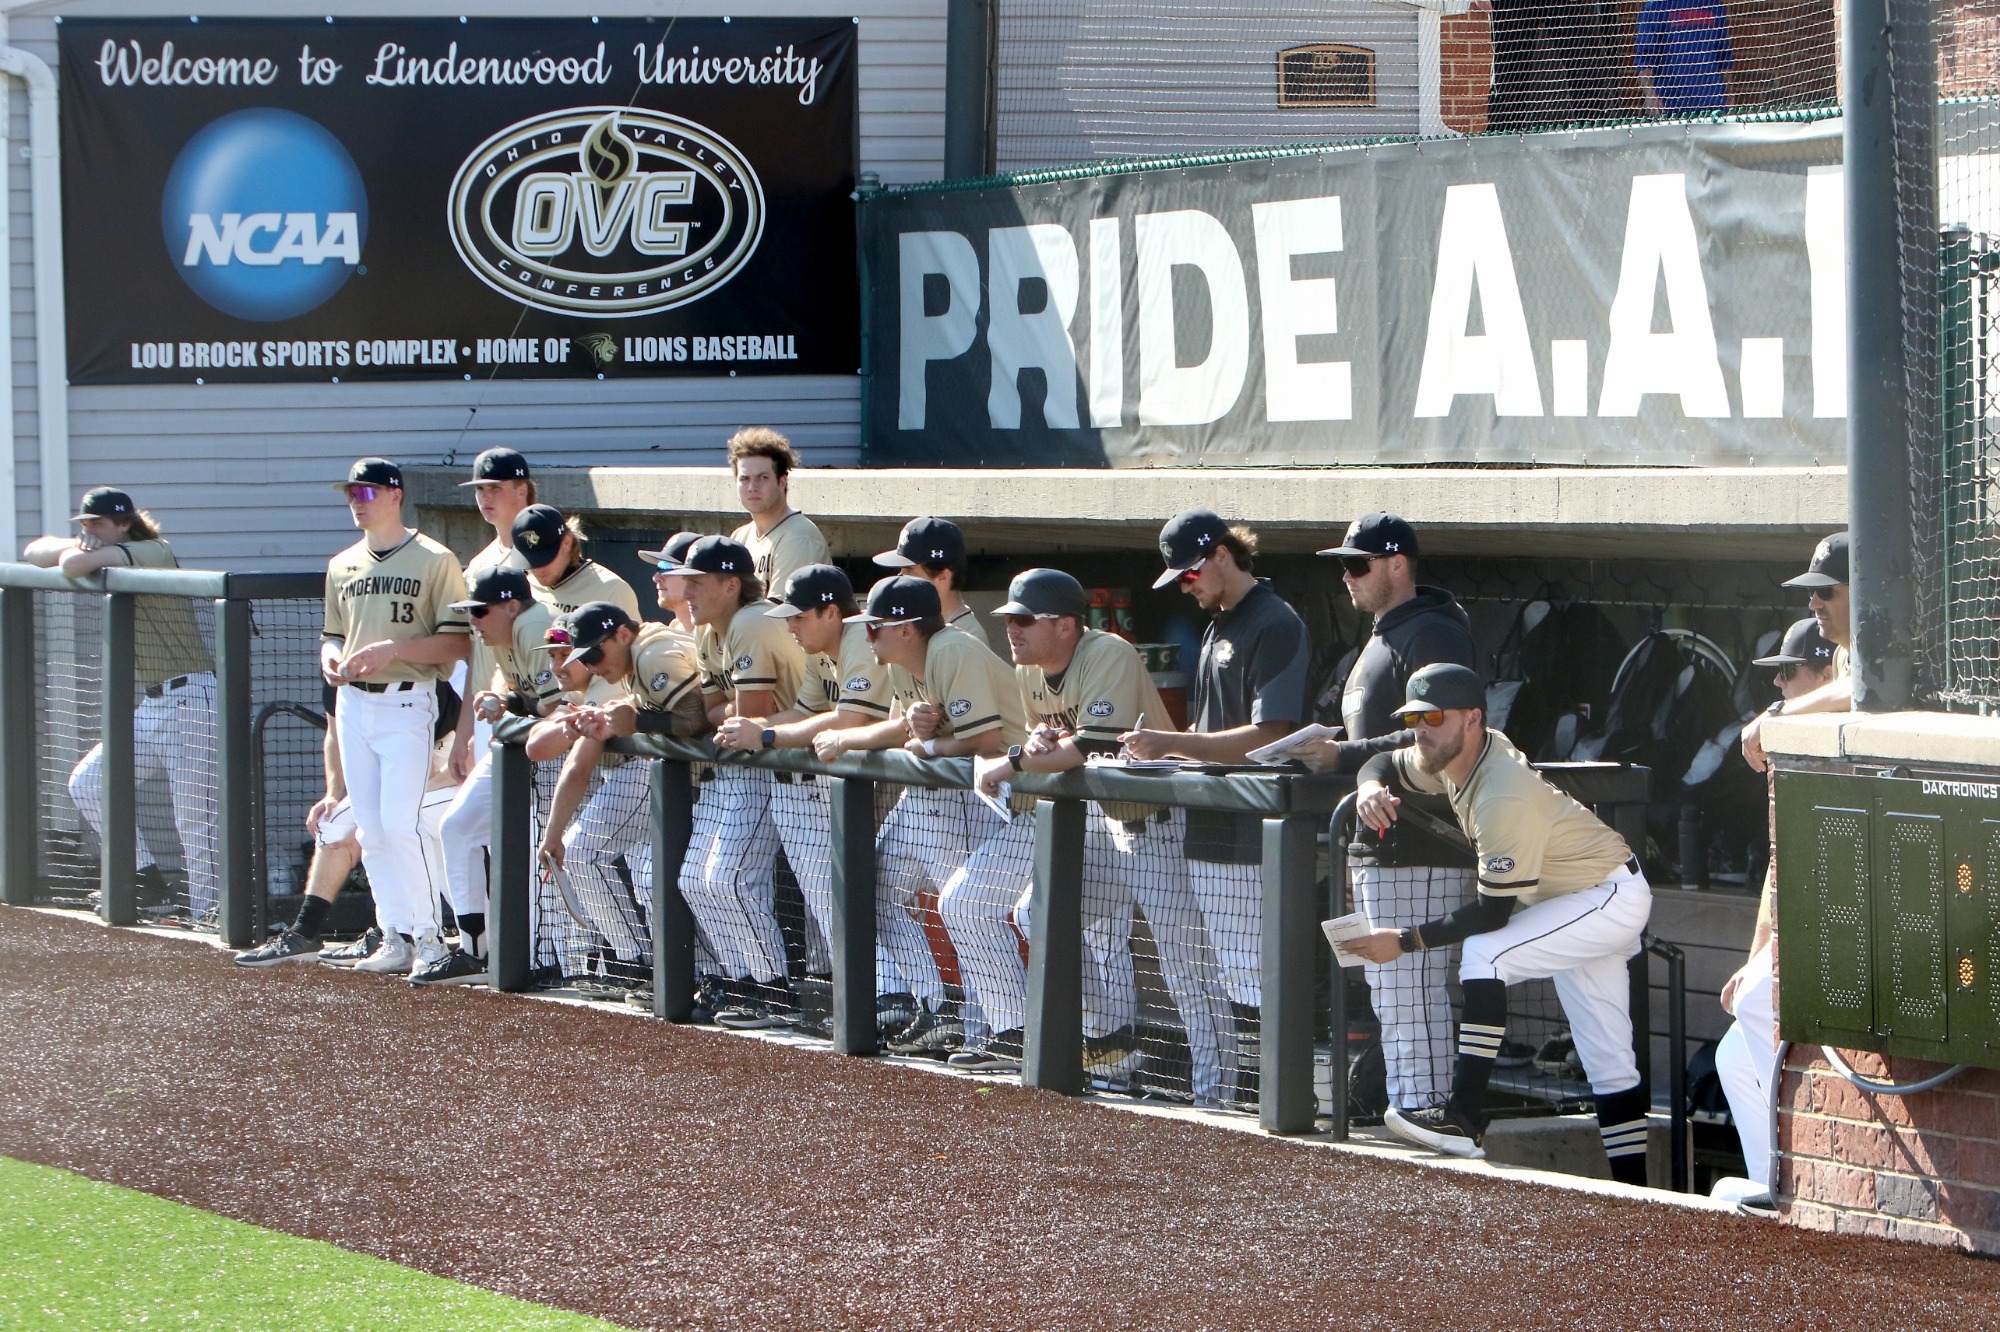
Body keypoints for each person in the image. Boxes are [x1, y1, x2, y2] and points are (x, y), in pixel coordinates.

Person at [1342, 664, 1654, 1186]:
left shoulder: (1501, 792)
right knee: (1610, 1061)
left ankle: (1464, 1119)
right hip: (1572, 903)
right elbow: (1380, 760)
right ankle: (1639, 1191)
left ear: (1472, 719)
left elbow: (1491, 914)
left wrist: (1403, 940)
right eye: (1414, 716)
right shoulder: (1447, 751)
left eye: (1433, 716)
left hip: (1606, 897)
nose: (1421, 727)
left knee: (1486, 952)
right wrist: (1369, 786)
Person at [970, 568, 1230, 1092]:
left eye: (1024, 620)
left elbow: (1088, 747)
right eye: (1009, 619)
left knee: (1185, 967)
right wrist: (1042, 739)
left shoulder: (1107, 652)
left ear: (1066, 625)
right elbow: (1058, 739)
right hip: (1110, 826)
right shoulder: (1029, 671)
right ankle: (1106, 1047)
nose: (1011, 631)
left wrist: (1014, 761)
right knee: (1039, 915)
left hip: (1164, 822)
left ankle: (1218, 1091)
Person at [1121, 509, 1312, 1103]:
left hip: (1256, 827)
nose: (1187, 585)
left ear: (1222, 555)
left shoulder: (1274, 621)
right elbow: (1216, 732)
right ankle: (1225, 1095)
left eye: (1190, 573)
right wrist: (1171, 757)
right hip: (1209, 822)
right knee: (1214, 967)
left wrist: (1170, 742)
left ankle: (1266, 1098)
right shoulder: (1217, 624)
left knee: (1249, 967)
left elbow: (1268, 735)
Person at [1311, 512, 1480, 1117]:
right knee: (1394, 993)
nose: (1348, 578)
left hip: (1424, 841)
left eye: (1358, 565)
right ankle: (1415, 1114)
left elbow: (1446, 737)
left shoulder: (1431, 633)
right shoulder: (1386, 635)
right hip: (1379, 844)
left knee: (1415, 994)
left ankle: (1428, 1117)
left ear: (1397, 564)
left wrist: (1343, 755)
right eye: (1344, 567)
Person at [815, 575, 1027, 1056]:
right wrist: (851, 738)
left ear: (908, 628)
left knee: (968, 911)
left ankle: (1003, 1030)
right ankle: (935, 1009)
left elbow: (984, 742)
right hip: (935, 796)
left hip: (988, 797)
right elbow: (901, 727)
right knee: (872, 886)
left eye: (875, 628)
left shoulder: (952, 649)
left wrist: (926, 743)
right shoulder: (901, 661)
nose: (865, 635)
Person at [717, 564, 900, 1037]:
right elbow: (806, 711)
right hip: (853, 791)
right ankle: (880, 998)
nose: (791, 627)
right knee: (842, 898)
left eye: (799, 617)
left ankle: (893, 998)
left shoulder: (860, 639)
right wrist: (754, 730)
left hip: (916, 791)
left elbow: (851, 720)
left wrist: (768, 734)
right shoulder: (822, 651)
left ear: (832, 612)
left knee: (877, 899)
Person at [26, 487, 219, 924]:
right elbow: (35, 549)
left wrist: (81, 551)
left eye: (98, 524)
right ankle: (147, 880)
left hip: (193, 697)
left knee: (194, 816)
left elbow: (74, 565)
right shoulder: (98, 546)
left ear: (124, 523)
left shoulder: (152, 549)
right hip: (153, 701)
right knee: (89, 783)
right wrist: (77, 543)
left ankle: (212, 912)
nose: (90, 531)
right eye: (85, 524)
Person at [319, 457, 470, 978]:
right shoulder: (342, 563)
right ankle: (396, 933)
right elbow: (332, 633)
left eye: (366, 494)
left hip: (409, 697)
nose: (356, 504)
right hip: (354, 702)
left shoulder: (434, 558)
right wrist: (331, 657)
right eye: (351, 495)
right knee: (374, 829)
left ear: (394, 495)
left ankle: (432, 938)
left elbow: (457, 639)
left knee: (402, 824)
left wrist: (392, 649)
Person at [1712, 617, 1837, 1214]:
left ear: (1826, 674)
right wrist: (1757, 955)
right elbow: (1779, 869)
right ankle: (1776, 1179)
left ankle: (1806, 1176)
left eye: (1790, 673)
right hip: (1804, 932)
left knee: (1762, 1002)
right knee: (1731, 1054)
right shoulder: (1789, 747)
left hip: (1851, 936)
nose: (1780, 686)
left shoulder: (1832, 737)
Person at [536, 602, 708, 1001]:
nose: (591, 665)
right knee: (665, 881)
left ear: (623, 635)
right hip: (683, 778)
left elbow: (696, 718)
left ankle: (640, 965)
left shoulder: (652, 651)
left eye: (593, 654)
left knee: (709, 884)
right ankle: (674, 971)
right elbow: (538, 747)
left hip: (701, 776)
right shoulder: (631, 663)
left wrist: (636, 720)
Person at [678, 534, 810, 1026]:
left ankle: (773, 989)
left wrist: (735, 717)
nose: (687, 591)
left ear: (732, 584)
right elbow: (717, 714)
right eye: (685, 581)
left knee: (733, 879)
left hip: (794, 771)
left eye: (698, 582)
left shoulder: (752, 621)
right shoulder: (706, 630)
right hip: (760, 768)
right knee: (696, 880)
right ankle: (741, 979)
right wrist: (733, 717)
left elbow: (748, 720)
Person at [416, 567, 564, 985]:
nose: (472, 622)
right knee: (457, 826)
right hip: (517, 749)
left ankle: (558, 959)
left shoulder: (536, 626)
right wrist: (503, 699)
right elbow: (512, 693)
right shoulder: (503, 634)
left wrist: (513, 707)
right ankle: (475, 950)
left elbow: (556, 711)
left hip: (566, 756)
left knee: (551, 854)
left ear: (512, 606)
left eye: (479, 611)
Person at [449, 447, 536, 784]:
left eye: (494, 487)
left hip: (532, 706)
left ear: (522, 489)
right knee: (472, 828)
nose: (485, 496)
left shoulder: (542, 553)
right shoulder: (479, 565)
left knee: (529, 824)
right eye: (479, 489)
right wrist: (463, 734)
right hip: (489, 708)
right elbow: (475, 657)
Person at [1740, 532, 1853, 774]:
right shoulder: (1842, 654)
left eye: (1825, 591)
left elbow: (1863, 688)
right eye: (1810, 592)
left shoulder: (1897, 641)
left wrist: (1775, 713)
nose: (1813, 604)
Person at [727, 427, 829, 593]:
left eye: (763, 478)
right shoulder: (739, 538)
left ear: (782, 482)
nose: (752, 487)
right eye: (745, 479)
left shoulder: (799, 537)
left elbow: (778, 616)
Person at [874, 516, 994, 649]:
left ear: (943, 577)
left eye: (910, 572)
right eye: (901, 572)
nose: (900, 579)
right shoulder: (914, 624)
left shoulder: (967, 640)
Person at [512, 503, 642, 619]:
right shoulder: (524, 588)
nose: (537, 569)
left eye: (544, 558)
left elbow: (634, 645)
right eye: (529, 561)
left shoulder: (611, 590)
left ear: (567, 542)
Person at [1636, 0, 1731, 117]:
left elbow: (1724, 58)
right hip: (1671, 106)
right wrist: (1650, 96)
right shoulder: (1656, 7)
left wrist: (1728, 97)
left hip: (1713, 105)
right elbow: (1645, 59)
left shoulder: (1713, 6)